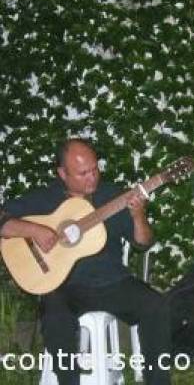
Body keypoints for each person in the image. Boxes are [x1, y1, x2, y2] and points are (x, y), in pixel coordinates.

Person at [2, 138, 171, 385]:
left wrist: (138, 215)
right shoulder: (45, 198)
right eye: (82, 173)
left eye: (94, 169)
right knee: (55, 318)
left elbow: (143, 243)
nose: (92, 177)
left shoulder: (113, 196)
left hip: (113, 281)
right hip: (64, 286)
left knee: (157, 306)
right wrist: (34, 230)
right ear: (62, 173)